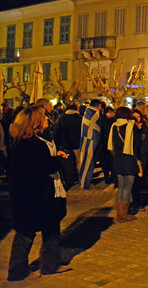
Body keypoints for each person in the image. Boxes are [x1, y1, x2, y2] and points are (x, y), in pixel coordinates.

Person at [7, 106, 68, 281]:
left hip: (23, 196)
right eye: (44, 118)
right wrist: (57, 159)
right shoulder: (36, 145)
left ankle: (21, 269)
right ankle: (43, 266)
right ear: (35, 123)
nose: (47, 120)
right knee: (46, 231)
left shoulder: (18, 144)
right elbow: (45, 167)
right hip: (38, 196)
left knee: (26, 232)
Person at [108, 106, 143, 223]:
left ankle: (119, 213)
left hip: (117, 161)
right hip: (129, 161)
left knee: (121, 188)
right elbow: (137, 144)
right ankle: (124, 214)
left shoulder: (114, 126)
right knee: (127, 188)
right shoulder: (131, 126)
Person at [79, 99, 103, 189]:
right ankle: (84, 183)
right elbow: (97, 129)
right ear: (97, 106)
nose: (100, 109)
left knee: (85, 161)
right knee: (88, 162)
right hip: (90, 140)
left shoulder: (87, 112)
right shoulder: (94, 114)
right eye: (100, 106)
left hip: (85, 140)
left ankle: (83, 181)